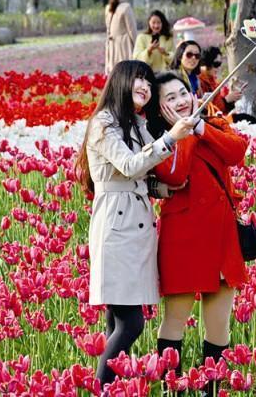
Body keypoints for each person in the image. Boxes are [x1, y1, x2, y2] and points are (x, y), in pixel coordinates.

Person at [75, 60, 195, 387]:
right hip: (117, 226)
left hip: (135, 222)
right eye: (137, 80)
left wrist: (162, 188)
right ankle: (102, 390)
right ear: (121, 82)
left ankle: (108, 389)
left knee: (116, 323)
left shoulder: (136, 123)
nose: (143, 86)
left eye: (147, 81)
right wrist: (170, 137)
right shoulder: (104, 123)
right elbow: (128, 165)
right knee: (131, 324)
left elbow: (140, 176)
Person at [147, 71, 248, 396]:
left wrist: (202, 127)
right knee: (175, 320)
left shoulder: (214, 125)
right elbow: (173, 176)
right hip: (184, 240)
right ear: (159, 108)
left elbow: (236, 152)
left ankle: (211, 390)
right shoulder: (160, 141)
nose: (180, 101)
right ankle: (170, 388)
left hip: (222, 236)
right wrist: (182, 133)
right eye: (170, 98)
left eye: (182, 93)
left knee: (219, 322)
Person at [104, 0, 138, 75]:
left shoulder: (108, 8)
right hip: (124, 45)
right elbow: (132, 30)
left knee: (115, 72)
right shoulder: (126, 8)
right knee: (127, 72)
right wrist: (137, 46)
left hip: (112, 44)